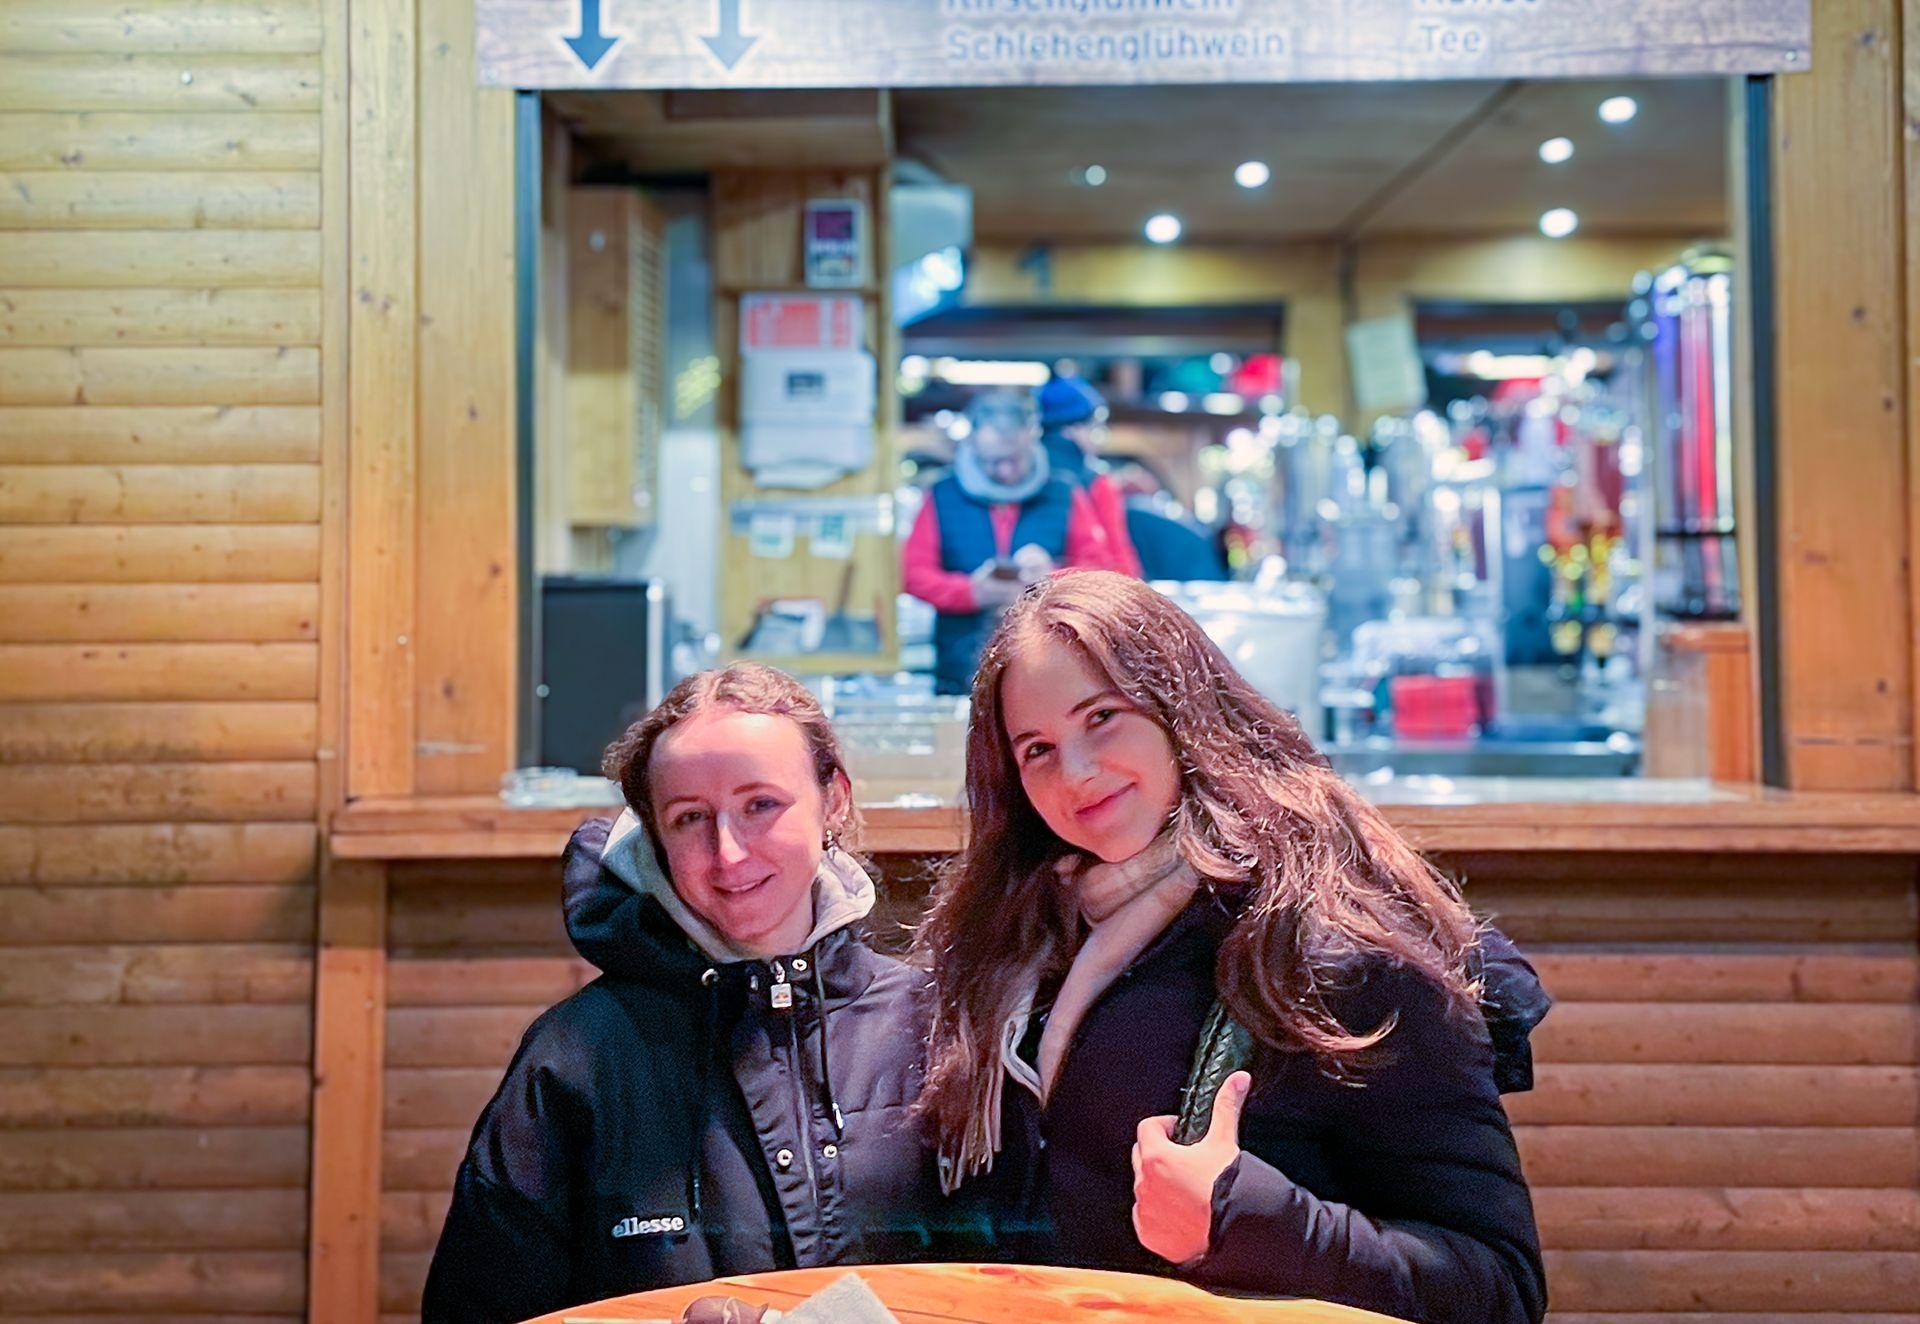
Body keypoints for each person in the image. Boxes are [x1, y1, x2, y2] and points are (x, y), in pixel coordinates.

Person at [912, 571, 1550, 1324]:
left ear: (1182, 709)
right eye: (1038, 749)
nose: (1076, 773)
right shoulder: (1019, 942)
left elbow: (1499, 1287)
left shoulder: (1331, 948)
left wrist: (1243, 1219)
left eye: (1104, 718)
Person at [423, 664, 954, 1322]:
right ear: (654, 836)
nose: (728, 853)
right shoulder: (575, 1058)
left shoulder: (935, 1027)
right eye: (689, 819)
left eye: (761, 804)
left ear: (834, 799)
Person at [903, 389, 1123, 695]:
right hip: (961, 667)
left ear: (1031, 438)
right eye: (993, 462)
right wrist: (971, 593)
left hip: (1050, 665)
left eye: (1014, 460)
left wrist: (1053, 577)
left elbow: (1103, 567)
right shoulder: (941, 496)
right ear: (972, 444)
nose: (1004, 471)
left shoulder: (1064, 491)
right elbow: (913, 573)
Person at [1035, 374, 1143, 579]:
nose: (1098, 438)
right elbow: (1119, 562)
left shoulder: (1022, 477)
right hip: (1089, 595)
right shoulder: (1096, 482)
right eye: (1095, 426)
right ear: (1071, 429)